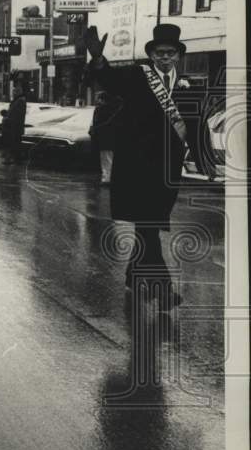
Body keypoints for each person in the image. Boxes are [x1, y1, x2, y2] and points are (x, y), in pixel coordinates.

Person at [85, 23, 208, 311]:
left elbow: (194, 127)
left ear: (178, 55)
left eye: (170, 53)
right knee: (148, 227)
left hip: (166, 170)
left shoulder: (186, 85)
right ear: (151, 54)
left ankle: (133, 275)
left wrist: (203, 161)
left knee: (148, 226)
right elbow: (110, 81)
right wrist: (99, 60)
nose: (164, 58)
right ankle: (163, 291)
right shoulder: (138, 76)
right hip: (137, 165)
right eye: (159, 53)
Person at [89, 91, 122, 185]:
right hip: (110, 138)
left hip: (105, 139)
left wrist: (94, 131)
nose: (96, 100)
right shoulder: (114, 109)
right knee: (108, 158)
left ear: (102, 99)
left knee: (106, 159)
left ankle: (106, 179)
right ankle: (107, 177)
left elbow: (97, 123)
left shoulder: (101, 110)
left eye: (98, 98)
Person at [1, 83, 27, 164]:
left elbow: (16, 114)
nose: (13, 93)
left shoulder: (20, 101)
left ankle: (11, 158)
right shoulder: (17, 100)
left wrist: (8, 119)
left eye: (14, 91)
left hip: (14, 126)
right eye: (13, 91)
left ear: (18, 92)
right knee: (14, 143)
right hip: (13, 126)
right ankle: (16, 158)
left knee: (13, 143)